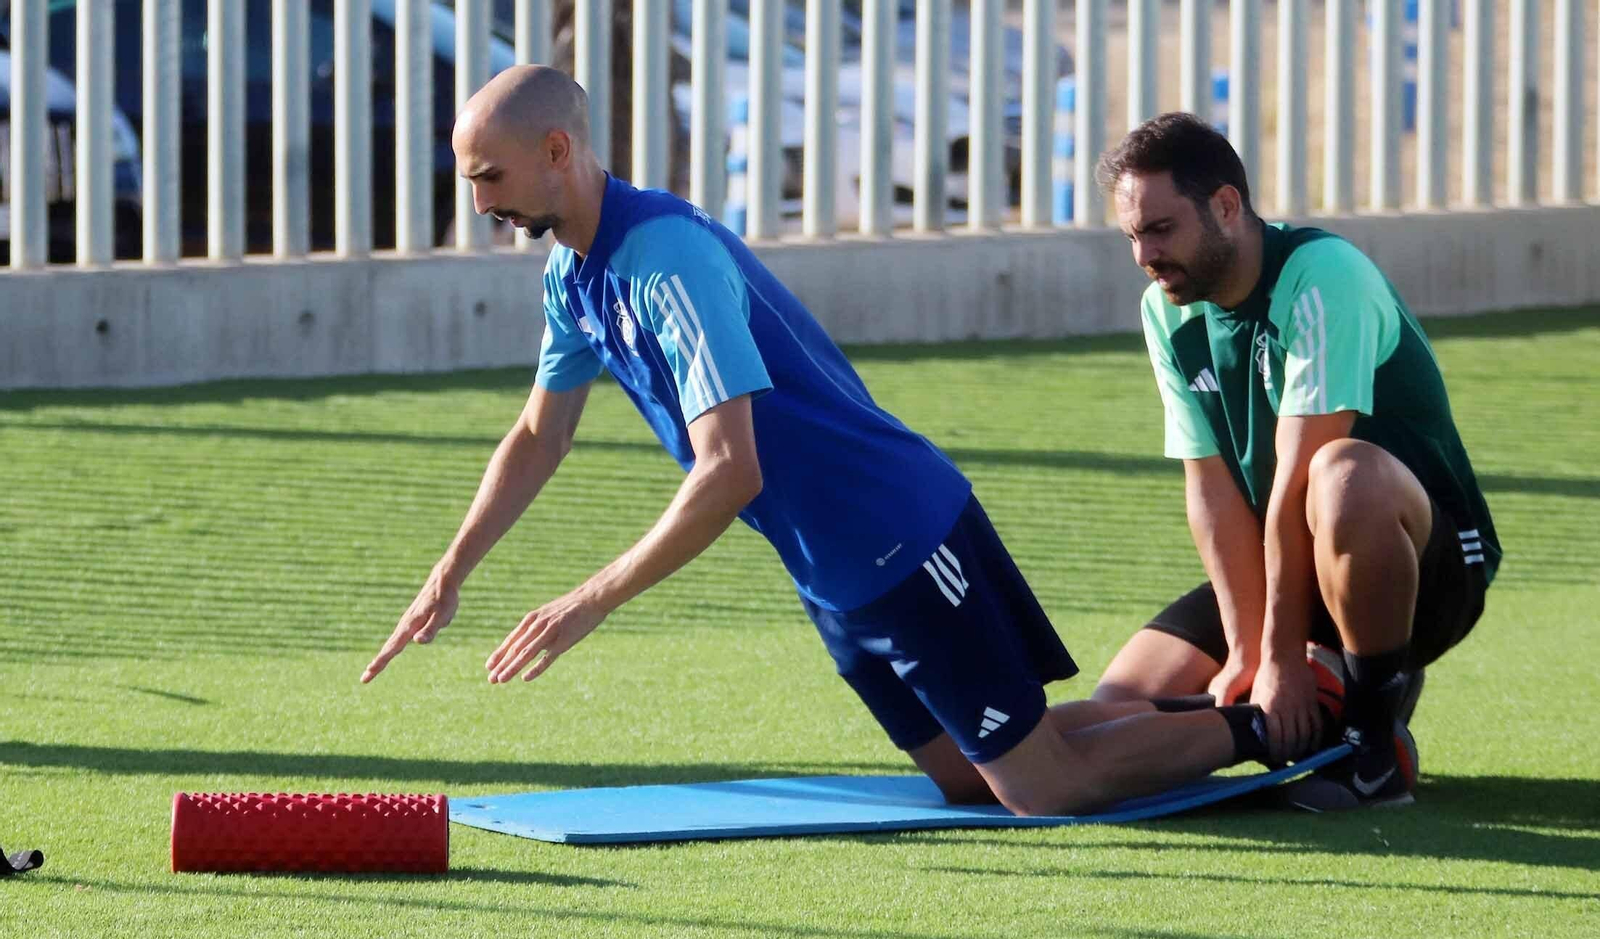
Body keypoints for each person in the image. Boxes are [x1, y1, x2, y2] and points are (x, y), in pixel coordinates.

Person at [362, 66, 1294, 816]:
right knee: (968, 772)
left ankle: (1284, 722)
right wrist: (451, 570)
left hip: (897, 532)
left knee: (1040, 786)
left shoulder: (665, 259)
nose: (478, 201)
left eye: (488, 176)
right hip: (829, 565)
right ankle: (1221, 709)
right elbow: (539, 433)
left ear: (556, 151)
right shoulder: (572, 276)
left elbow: (731, 470)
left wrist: (589, 599)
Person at [1089, 113, 1501, 807]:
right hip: (1291, 564)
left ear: (1226, 205)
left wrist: (1279, 658)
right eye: (1132, 235)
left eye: (1159, 229)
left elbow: (1299, 482)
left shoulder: (1321, 275)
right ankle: (1334, 699)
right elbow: (1212, 491)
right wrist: (1247, 650)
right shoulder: (1167, 310)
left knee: (1343, 474)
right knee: (1116, 713)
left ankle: (1372, 741)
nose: (1144, 255)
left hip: (1428, 568)